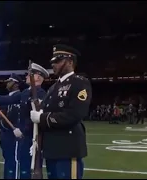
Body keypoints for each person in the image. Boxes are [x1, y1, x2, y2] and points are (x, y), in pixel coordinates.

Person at [29, 44, 92, 179]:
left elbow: (75, 114)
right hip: (51, 148)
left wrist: (42, 118)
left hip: (67, 148)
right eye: (53, 62)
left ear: (70, 62)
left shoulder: (79, 83)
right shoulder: (53, 88)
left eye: (58, 61)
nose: (54, 65)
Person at [0, 63, 48, 179]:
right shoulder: (26, 92)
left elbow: (36, 118)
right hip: (23, 136)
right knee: (22, 164)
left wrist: (23, 130)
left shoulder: (41, 93)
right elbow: (10, 99)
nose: (26, 76)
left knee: (31, 167)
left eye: (29, 74)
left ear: (37, 77)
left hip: (34, 136)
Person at [0, 73, 22, 179]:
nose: (7, 83)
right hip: (5, 132)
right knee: (7, 158)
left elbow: (14, 114)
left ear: (16, 84)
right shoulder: (10, 96)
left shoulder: (18, 96)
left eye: (10, 81)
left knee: (12, 159)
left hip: (13, 133)